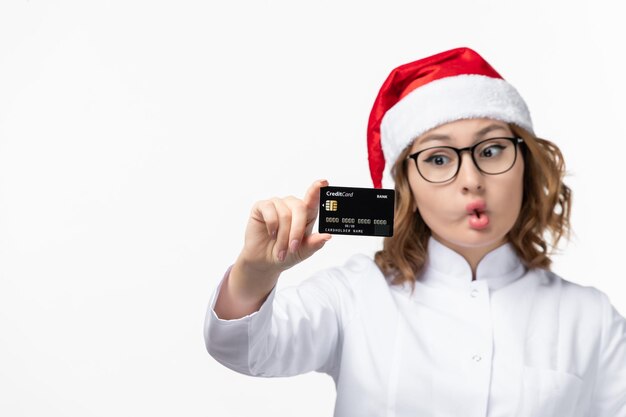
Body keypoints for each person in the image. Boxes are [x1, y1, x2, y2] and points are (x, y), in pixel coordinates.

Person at [204, 47, 626, 417]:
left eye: (492, 149)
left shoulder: (593, 319)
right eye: (439, 159)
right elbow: (245, 351)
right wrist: (256, 272)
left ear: (527, 166)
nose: (472, 179)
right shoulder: (353, 295)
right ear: (407, 185)